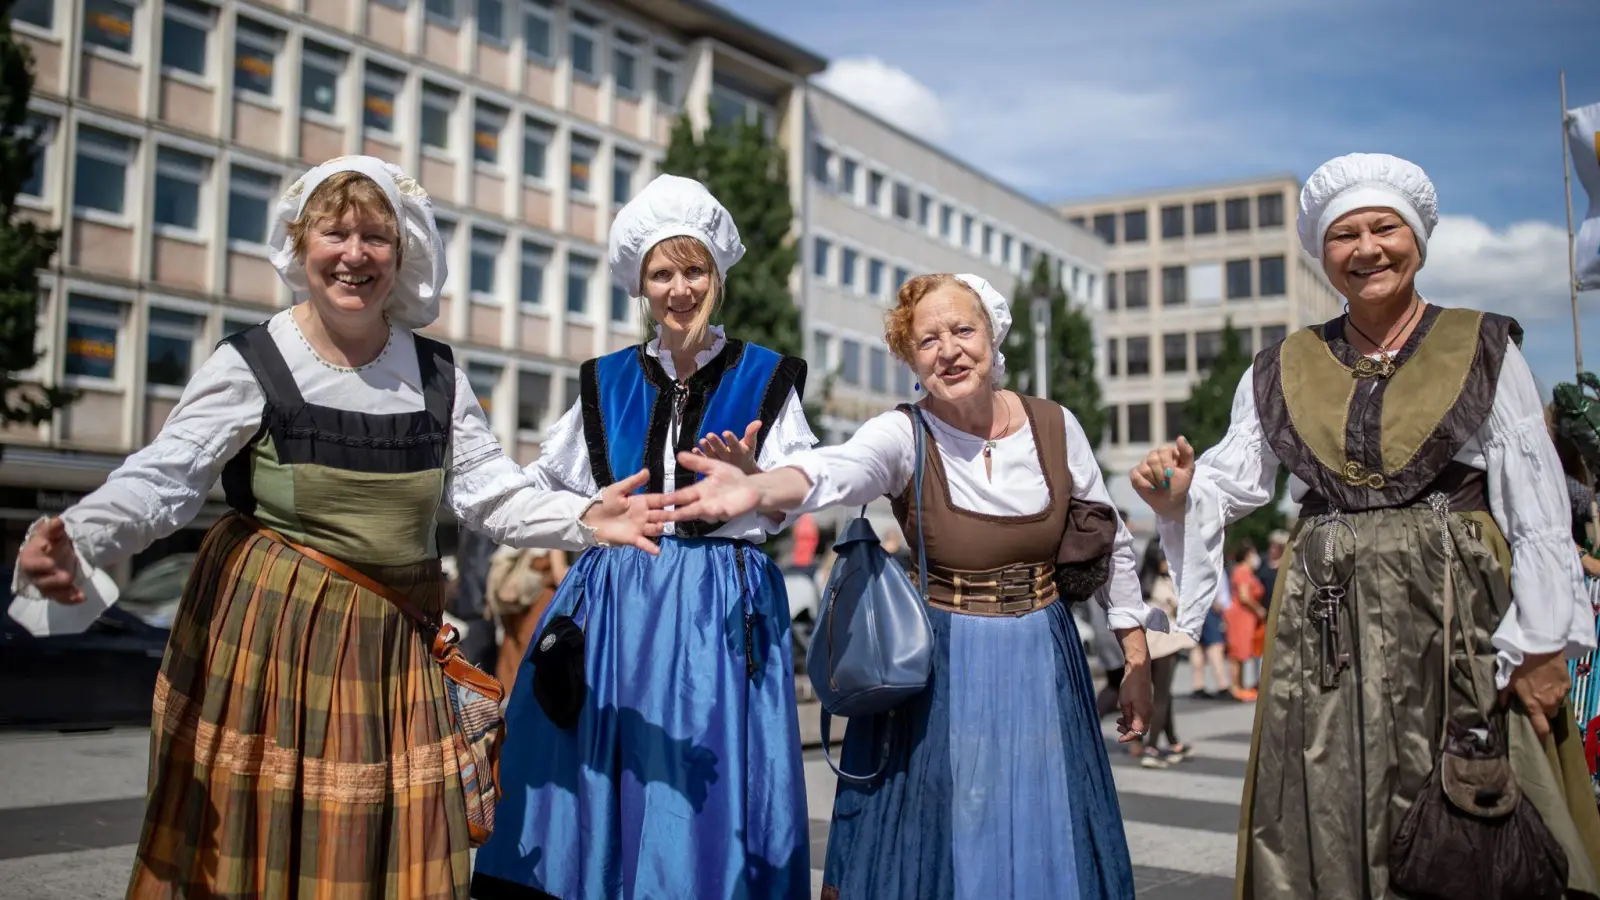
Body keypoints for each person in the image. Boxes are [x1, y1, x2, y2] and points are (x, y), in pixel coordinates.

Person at [8, 156, 661, 899]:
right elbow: (166, 476)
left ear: (403, 251)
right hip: (274, 642)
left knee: (398, 841)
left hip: (394, 649)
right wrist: (83, 536)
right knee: (269, 841)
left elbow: (488, 493)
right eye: (335, 232)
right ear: (300, 242)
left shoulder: (437, 374)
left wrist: (583, 516)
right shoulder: (254, 362)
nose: (355, 254)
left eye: (376, 237)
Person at [1131, 152, 1600, 897]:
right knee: (1325, 793)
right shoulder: (1282, 365)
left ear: (1417, 238)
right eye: (1345, 235)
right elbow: (1230, 478)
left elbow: (1535, 504)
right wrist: (1181, 491)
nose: (1367, 249)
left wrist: (1544, 643)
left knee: (1479, 799)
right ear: (1324, 254)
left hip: (1457, 616)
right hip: (1327, 624)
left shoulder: (1482, 346)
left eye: (1385, 228)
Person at [656, 272, 1162, 899]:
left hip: (1045, 659)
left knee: (1047, 819)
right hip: (946, 666)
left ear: (992, 335)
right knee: (954, 827)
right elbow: (840, 467)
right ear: (911, 359)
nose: (948, 350)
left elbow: (1109, 541)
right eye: (927, 341)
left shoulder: (1056, 426)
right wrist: (759, 486)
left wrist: (1135, 657)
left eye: (961, 330)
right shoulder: (904, 433)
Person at [470, 174, 817, 900]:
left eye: (694, 270)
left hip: (718, 607)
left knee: (705, 773)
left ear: (717, 276)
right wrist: (535, 500)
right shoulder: (605, 381)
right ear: (642, 284)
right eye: (663, 272)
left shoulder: (765, 375)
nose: (680, 289)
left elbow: (802, 492)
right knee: (605, 769)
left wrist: (757, 481)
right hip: (617, 604)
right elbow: (547, 484)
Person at [485, 545, 569, 698]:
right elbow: (559, 574)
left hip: (513, 595)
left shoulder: (518, 524)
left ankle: (509, 707)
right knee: (536, 655)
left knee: (511, 652)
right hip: (537, 597)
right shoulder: (553, 528)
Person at [1138, 545, 1194, 767]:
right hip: (1165, 644)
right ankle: (1151, 748)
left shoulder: (1143, 583)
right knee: (1161, 696)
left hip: (1148, 644)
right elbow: (1181, 607)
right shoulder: (1163, 584)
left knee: (1164, 694)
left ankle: (1173, 742)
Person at [1224, 544, 1266, 701]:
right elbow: (1244, 596)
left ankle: (1240, 686)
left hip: (1247, 617)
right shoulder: (1242, 571)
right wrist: (1259, 609)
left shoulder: (1248, 572)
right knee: (1237, 652)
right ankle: (1235, 687)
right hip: (1240, 616)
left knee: (1242, 652)